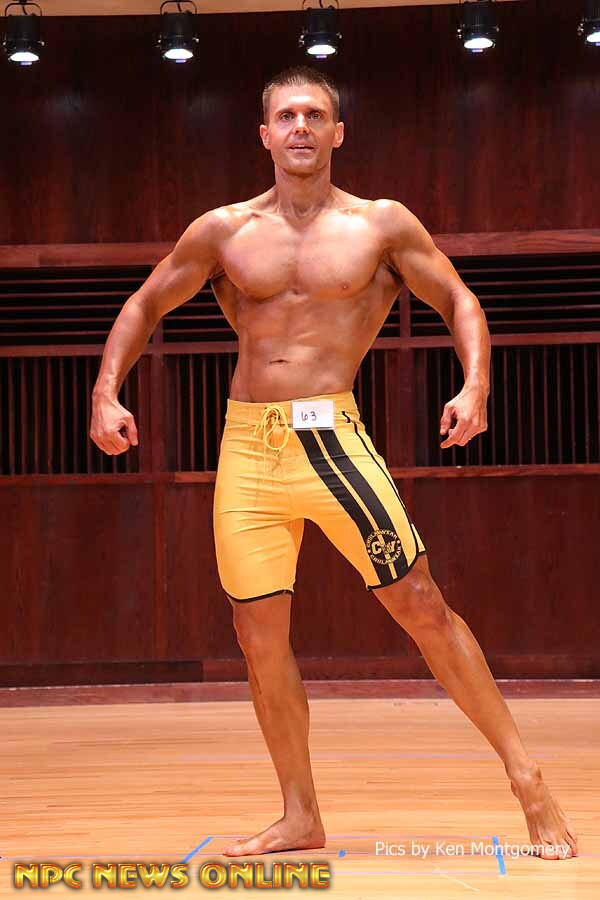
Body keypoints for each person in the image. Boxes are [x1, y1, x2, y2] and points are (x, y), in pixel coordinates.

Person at [90, 65, 577, 861]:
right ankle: (300, 814)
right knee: (256, 635)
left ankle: (527, 778)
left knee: (419, 602)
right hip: (247, 449)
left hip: (333, 444)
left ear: (338, 132)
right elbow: (146, 302)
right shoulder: (223, 231)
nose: (301, 127)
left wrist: (476, 384)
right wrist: (105, 392)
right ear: (264, 134)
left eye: (315, 115)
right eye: (286, 115)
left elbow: (459, 299)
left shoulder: (379, 226)